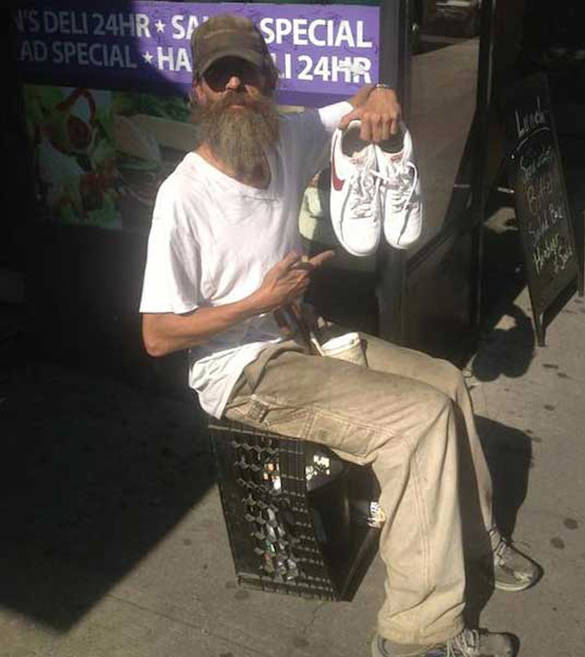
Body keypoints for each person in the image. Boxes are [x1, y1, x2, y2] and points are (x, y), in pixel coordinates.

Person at [139, 14, 540, 657]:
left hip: (301, 334)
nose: (236, 87)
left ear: (269, 82)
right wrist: (260, 300)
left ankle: (472, 537)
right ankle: (417, 633)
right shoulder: (182, 196)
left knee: (443, 383)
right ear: (198, 92)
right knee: (417, 422)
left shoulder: (285, 137)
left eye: (248, 75)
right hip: (243, 371)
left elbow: (358, 107)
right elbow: (157, 336)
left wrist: (381, 95)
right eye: (221, 77)